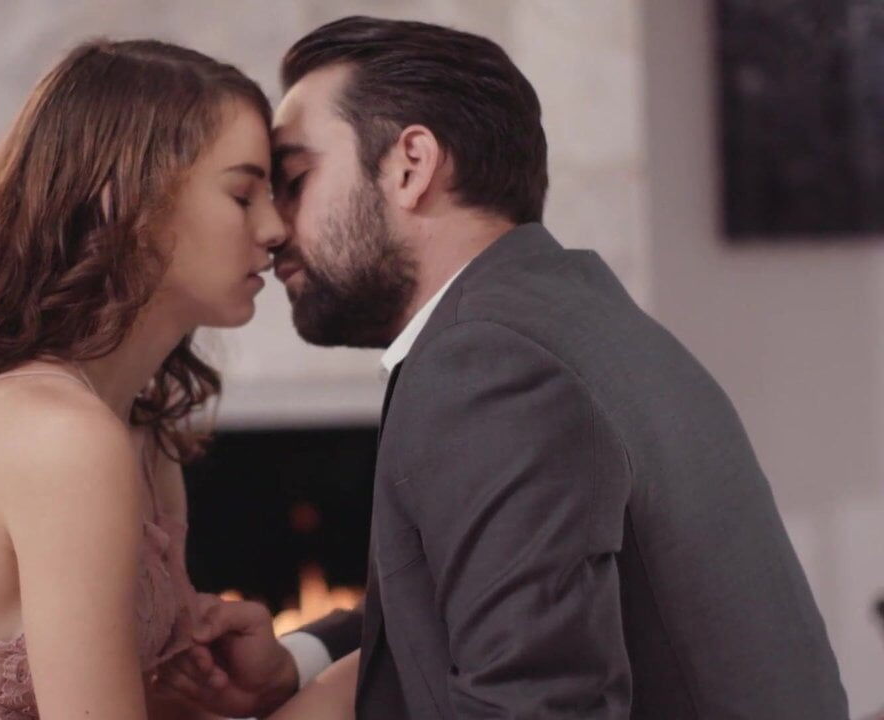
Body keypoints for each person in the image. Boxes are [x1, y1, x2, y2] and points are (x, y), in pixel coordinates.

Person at [158, 16, 849, 719]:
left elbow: (534, 705)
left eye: (295, 180)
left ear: (410, 165)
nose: (274, 228)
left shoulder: (488, 364)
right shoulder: (564, 315)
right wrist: (300, 663)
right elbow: (503, 603)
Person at [0, 38, 285, 719]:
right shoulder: (59, 439)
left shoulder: (141, 438)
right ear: (125, 199)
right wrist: (345, 686)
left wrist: (266, 687)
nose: (275, 228)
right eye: (243, 193)